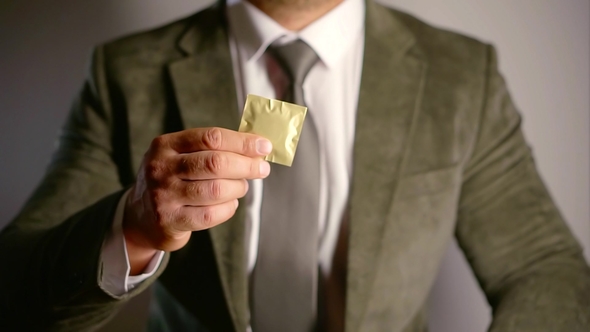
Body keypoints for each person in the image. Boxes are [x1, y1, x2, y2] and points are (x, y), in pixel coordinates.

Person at [1, 0, 589, 330]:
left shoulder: (462, 74)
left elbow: (545, 268)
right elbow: (15, 293)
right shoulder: (125, 72)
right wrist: (131, 227)